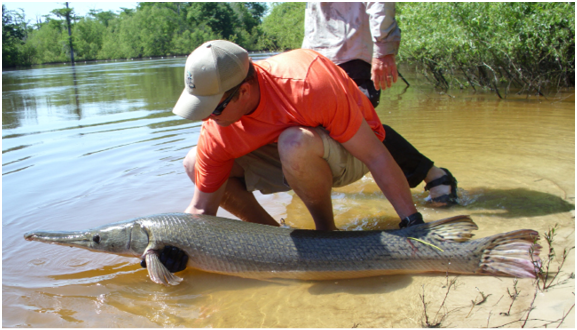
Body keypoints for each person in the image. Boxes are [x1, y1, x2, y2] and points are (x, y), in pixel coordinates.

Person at [173, 39, 427, 232]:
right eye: (202, 109)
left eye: (214, 108)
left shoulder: (307, 85)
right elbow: (201, 208)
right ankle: (273, 236)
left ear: (244, 91)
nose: (208, 119)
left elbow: (376, 156)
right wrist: (173, 244)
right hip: (292, 156)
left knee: (294, 142)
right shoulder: (218, 123)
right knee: (194, 162)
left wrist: (412, 222)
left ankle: (326, 233)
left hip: (353, 153)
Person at [301, 2, 458, 205]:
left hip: (353, 55)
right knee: (319, 133)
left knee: (359, 128)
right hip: (314, 60)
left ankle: (432, 174)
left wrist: (384, 48)